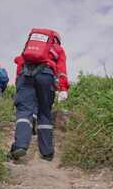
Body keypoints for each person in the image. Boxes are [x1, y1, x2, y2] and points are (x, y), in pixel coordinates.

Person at [10, 28, 69, 162]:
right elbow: (62, 70)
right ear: (57, 40)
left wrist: (19, 82)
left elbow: (20, 62)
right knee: (45, 112)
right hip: (47, 75)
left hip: (25, 75)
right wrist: (63, 88)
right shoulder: (58, 49)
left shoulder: (30, 48)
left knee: (24, 111)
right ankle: (47, 152)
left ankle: (20, 146)